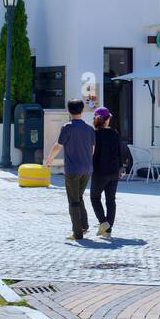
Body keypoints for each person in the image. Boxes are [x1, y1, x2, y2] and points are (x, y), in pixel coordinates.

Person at [46, 99, 94, 240]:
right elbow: (92, 150)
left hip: (73, 169)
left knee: (73, 200)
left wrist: (50, 159)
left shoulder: (67, 127)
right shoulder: (90, 129)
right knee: (79, 196)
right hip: (87, 169)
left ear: (69, 111)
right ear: (82, 110)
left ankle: (77, 233)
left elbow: (58, 145)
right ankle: (84, 225)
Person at [90, 106, 131, 238]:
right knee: (110, 200)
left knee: (95, 197)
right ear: (107, 119)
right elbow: (120, 152)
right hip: (114, 172)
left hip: (99, 172)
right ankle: (108, 231)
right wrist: (122, 167)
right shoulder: (114, 133)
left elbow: (91, 154)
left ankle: (103, 222)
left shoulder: (94, 134)